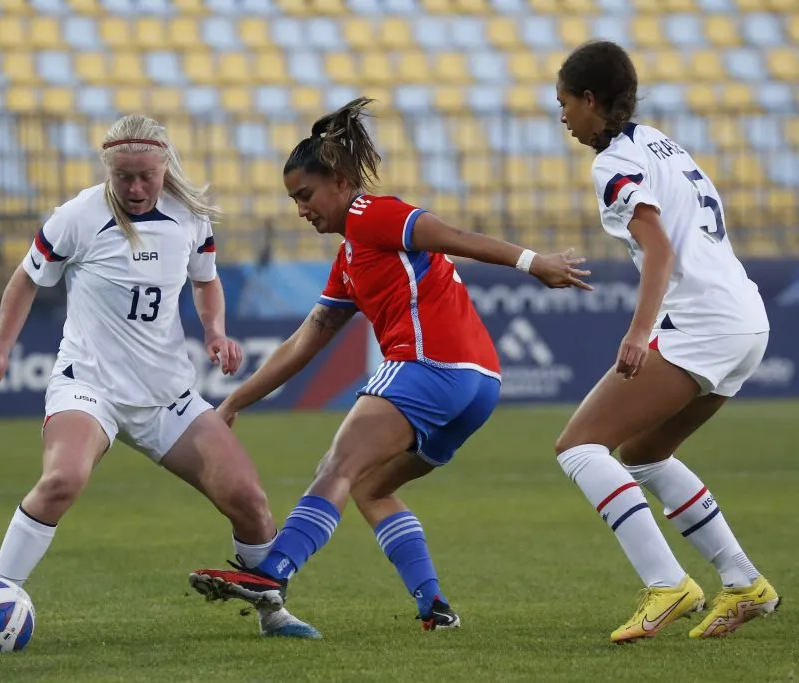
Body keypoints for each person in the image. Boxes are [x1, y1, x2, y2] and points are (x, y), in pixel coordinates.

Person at [187, 98, 591, 631]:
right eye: (293, 200)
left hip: (429, 366)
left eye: (305, 195)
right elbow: (306, 342)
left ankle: (274, 574)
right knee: (369, 486)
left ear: (338, 179)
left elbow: (454, 236)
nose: (302, 209)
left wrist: (533, 262)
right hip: (479, 386)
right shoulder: (350, 258)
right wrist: (235, 400)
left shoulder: (371, 214)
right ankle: (434, 606)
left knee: (337, 467)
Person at [0, 114, 320, 639]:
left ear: (165, 167)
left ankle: (273, 614)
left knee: (249, 499)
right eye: (124, 177)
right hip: (90, 387)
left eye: (146, 177)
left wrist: (215, 332)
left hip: (167, 396)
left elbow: (206, 281)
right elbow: (25, 280)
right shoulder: (77, 216)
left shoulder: (189, 217)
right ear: (108, 171)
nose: (135, 188)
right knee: (62, 480)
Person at [552, 41, 780, 643]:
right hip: (746, 319)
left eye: (565, 103)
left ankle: (667, 584)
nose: (563, 118)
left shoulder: (611, 165)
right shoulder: (659, 141)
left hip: (701, 322)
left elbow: (659, 248)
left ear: (591, 100)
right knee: (644, 454)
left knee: (578, 447)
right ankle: (744, 583)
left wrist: (638, 333)